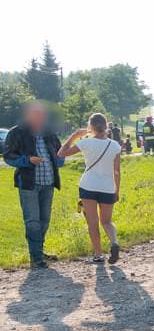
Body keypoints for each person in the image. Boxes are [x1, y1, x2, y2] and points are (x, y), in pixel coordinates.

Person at [3, 101, 65, 268]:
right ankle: (36, 257)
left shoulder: (49, 133)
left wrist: (59, 160)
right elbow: (8, 157)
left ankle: (39, 251)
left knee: (44, 220)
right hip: (29, 184)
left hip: (49, 183)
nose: (40, 117)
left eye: (42, 114)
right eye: (36, 114)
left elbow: (60, 153)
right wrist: (27, 160)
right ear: (29, 115)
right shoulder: (17, 132)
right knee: (32, 221)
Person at [58, 113, 123, 264]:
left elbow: (61, 154)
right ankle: (114, 242)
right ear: (106, 126)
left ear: (91, 127)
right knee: (107, 221)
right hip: (107, 188)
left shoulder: (86, 143)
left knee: (92, 223)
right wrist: (117, 191)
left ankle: (99, 255)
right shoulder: (115, 146)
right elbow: (117, 171)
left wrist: (74, 136)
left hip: (88, 186)